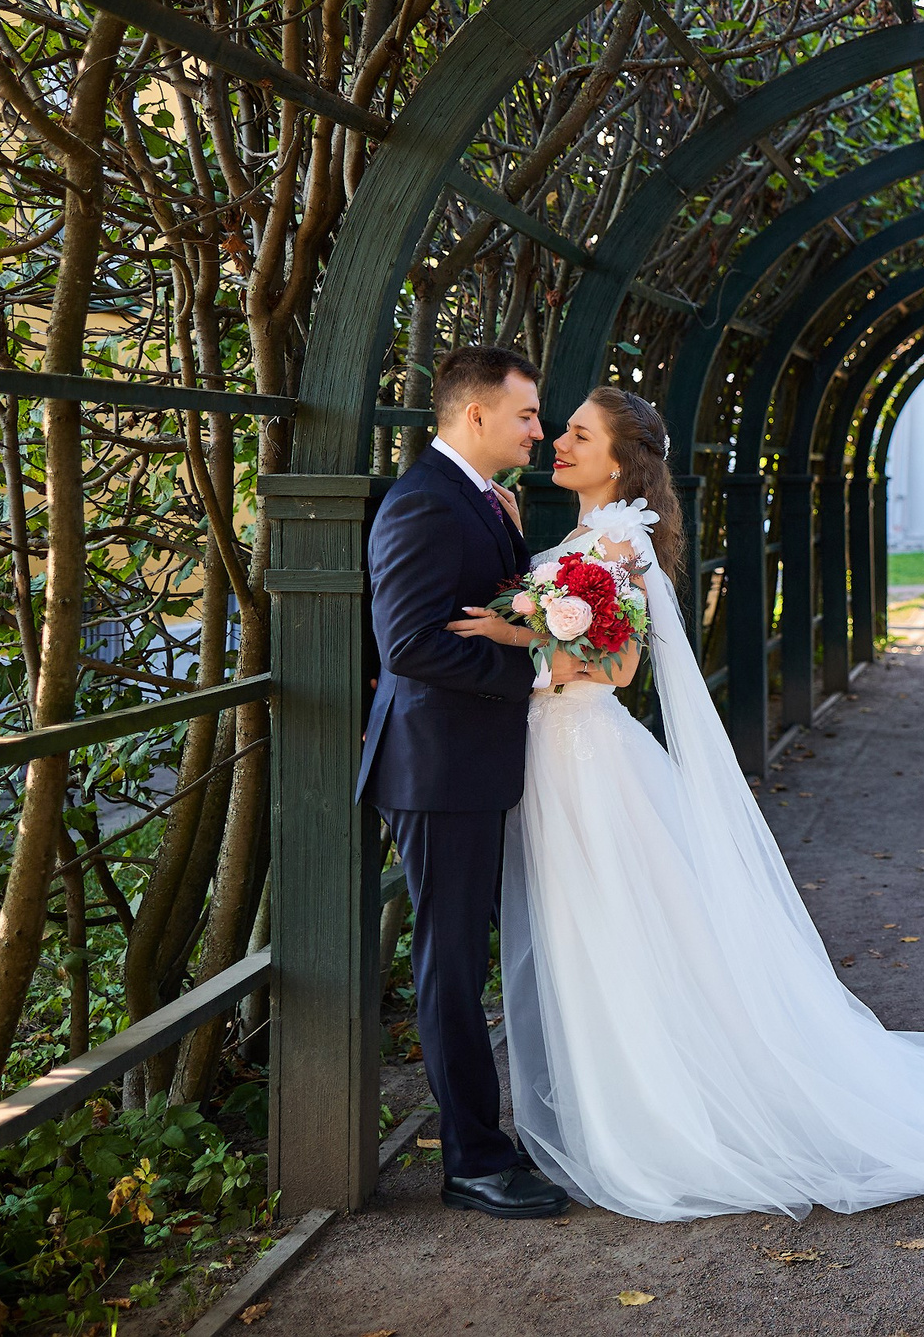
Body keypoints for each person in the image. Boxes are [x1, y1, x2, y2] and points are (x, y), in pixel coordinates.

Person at [444, 386, 924, 1221]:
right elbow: (578, 637)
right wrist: (525, 624)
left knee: (617, 929)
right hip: (561, 756)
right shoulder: (580, 535)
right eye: (559, 430)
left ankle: (660, 1117)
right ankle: (620, 1099)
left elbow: (619, 668)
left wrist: (518, 644)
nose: (558, 440)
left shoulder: (619, 544)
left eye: (578, 433)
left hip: (590, 756)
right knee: (593, 931)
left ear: (620, 459)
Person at [360, 345, 573, 1220]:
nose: (539, 428)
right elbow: (406, 643)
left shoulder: (478, 498)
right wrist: (531, 675)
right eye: (526, 414)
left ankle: (492, 1140)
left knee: (473, 953)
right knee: (449, 967)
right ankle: (472, 1161)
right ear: (473, 414)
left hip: (472, 762)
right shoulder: (422, 503)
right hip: (437, 768)